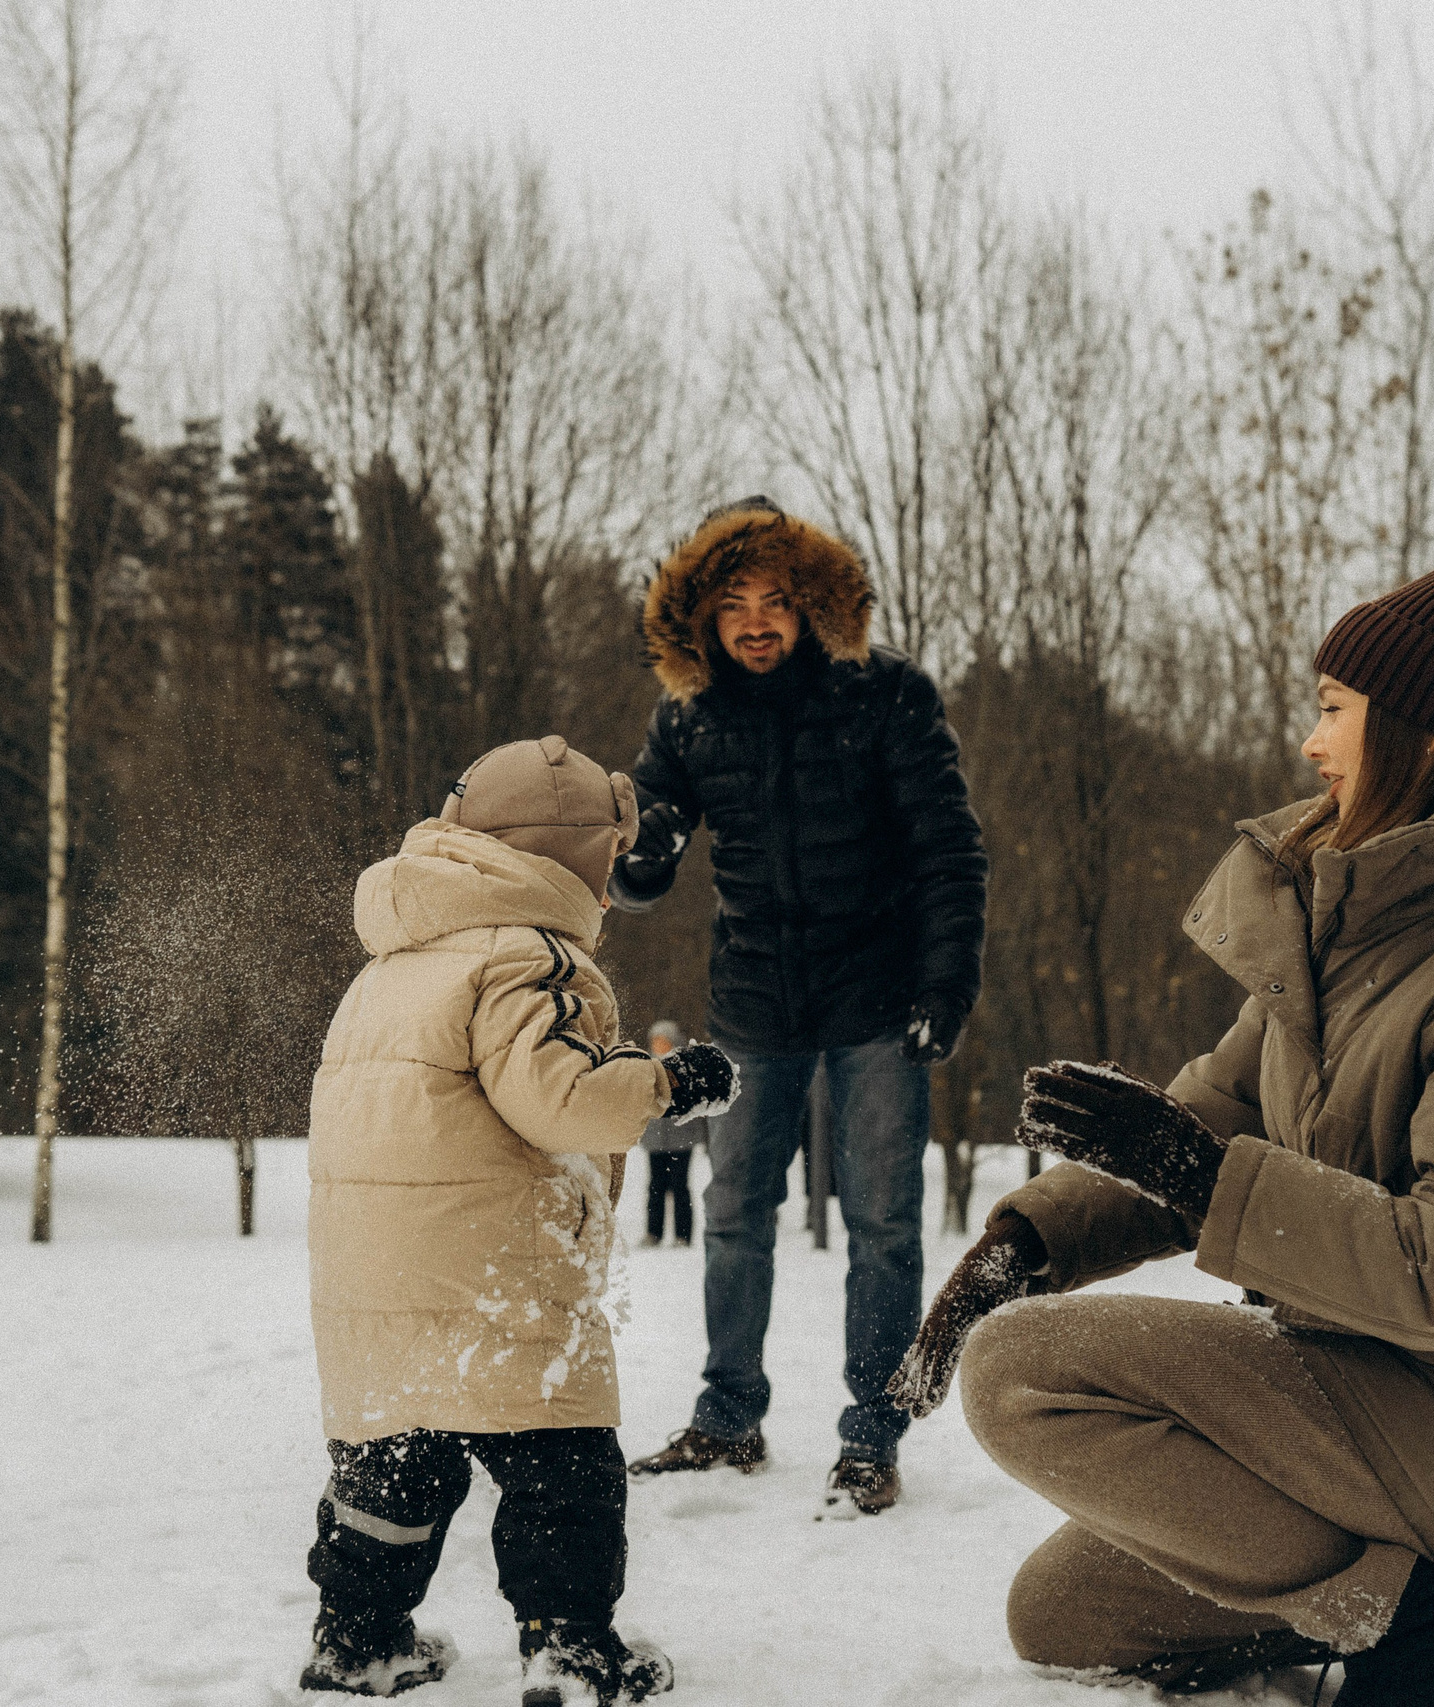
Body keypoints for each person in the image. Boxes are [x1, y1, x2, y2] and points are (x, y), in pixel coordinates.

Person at [891, 553, 1434, 1706]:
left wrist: (1210, 1185)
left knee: (1025, 1374)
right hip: (1358, 1387)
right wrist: (1029, 1244)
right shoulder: (1360, 933)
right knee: (1065, 1616)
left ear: (1422, 734)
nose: (1310, 743)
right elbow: (1207, 1119)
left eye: (1332, 710)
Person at [301, 737, 737, 1704]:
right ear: (573, 861)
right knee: (559, 1464)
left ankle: (356, 1639)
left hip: (372, 1281)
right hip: (494, 1272)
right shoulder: (527, 954)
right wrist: (668, 1082)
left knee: (392, 1466)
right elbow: (559, 1097)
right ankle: (572, 1649)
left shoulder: (391, 963)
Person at [616, 499, 986, 1520]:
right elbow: (648, 839)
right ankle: (727, 1416)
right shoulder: (689, 716)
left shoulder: (885, 696)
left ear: (815, 604)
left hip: (876, 998)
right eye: (733, 604)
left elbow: (947, 850)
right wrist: (640, 855)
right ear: (700, 618)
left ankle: (873, 1433)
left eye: (778, 599)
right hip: (752, 1002)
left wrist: (946, 984)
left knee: (882, 1221)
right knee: (732, 1212)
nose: (757, 622)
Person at [638, 1021, 699, 1248]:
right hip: (655, 1140)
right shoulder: (645, 1067)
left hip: (682, 1140)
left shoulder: (685, 1067)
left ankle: (683, 1235)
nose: (659, 1045)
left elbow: (690, 1101)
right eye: (656, 1041)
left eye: (663, 1041)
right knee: (655, 1187)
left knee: (680, 1186)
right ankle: (654, 1233)